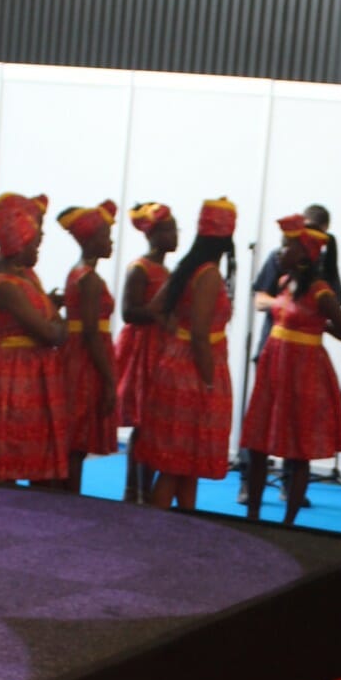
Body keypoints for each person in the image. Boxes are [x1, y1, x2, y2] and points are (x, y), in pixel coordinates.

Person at [240, 214, 341, 524]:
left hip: (304, 373)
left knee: (298, 450)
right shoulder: (284, 282)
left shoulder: (321, 291)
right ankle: (252, 513)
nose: (280, 252)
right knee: (258, 444)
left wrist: (320, 324)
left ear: (305, 254)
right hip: (274, 369)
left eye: (287, 247)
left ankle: (289, 522)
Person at [137, 197, 237, 511]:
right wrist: (209, 381)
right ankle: (158, 530)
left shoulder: (188, 267)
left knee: (182, 462)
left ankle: (181, 527)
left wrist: (175, 333)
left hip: (175, 364)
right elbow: (200, 335)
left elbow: (156, 308)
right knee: (176, 465)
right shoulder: (209, 274)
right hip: (195, 371)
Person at [0, 192, 68, 484]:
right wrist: (60, 325)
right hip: (14, 371)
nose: (40, 245)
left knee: (31, 446)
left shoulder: (25, 273)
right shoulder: (7, 285)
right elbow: (49, 333)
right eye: (35, 242)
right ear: (20, 245)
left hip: (29, 368)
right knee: (8, 442)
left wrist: (52, 314)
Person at [115, 201, 179, 503]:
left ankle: (143, 490)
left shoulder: (165, 270)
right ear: (152, 234)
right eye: (168, 230)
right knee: (144, 422)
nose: (174, 236)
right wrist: (157, 313)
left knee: (154, 424)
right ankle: (134, 490)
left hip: (162, 346)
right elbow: (129, 312)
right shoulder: (139, 268)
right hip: (144, 348)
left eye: (175, 230)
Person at [57, 199, 119, 492]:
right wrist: (109, 380)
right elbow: (92, 333)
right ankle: (69, 500)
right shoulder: (90, 280)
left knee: (74, 438)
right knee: (77, 441)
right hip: (86, 362)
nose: (111, 242)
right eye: (106, 236)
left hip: (75, 356)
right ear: (91, 240)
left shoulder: (76, 272)